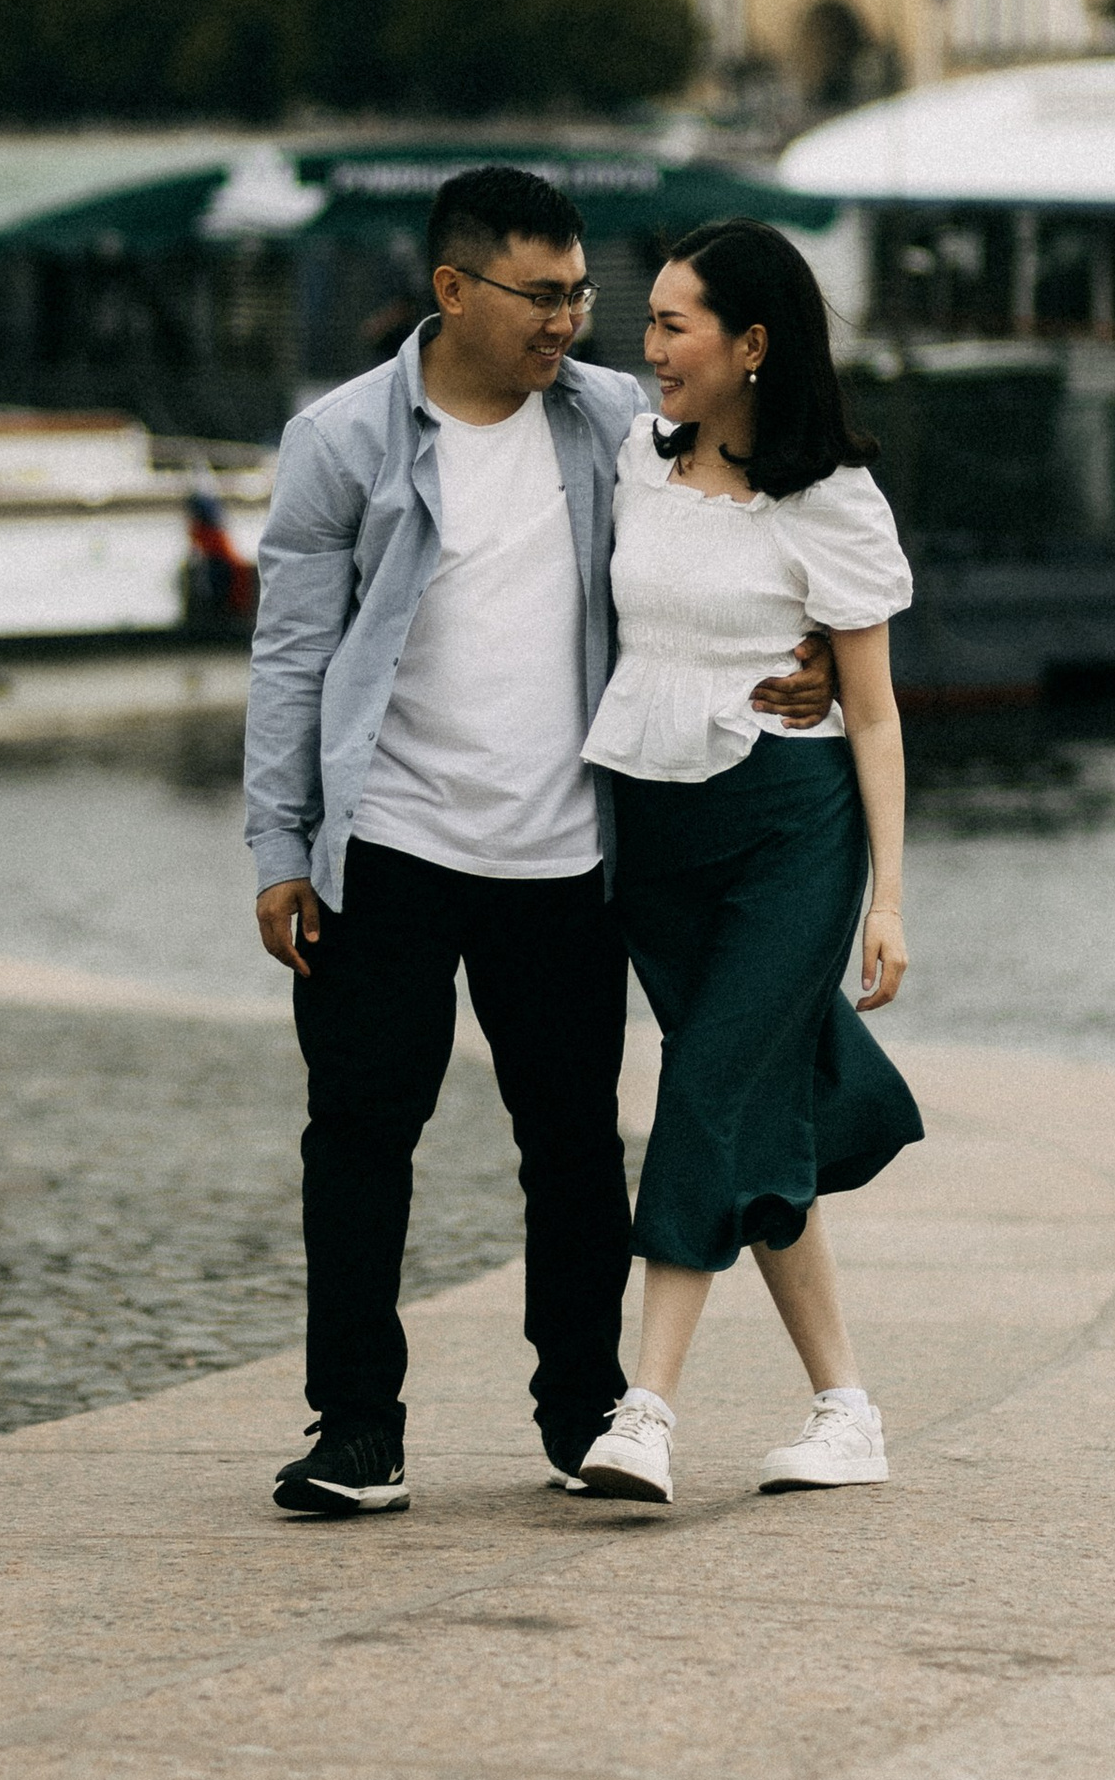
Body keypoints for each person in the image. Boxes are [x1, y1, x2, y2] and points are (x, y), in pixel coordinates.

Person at [245, 163, 837, 1518]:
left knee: (573, 1147)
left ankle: (581, 1413)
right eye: (542, 294)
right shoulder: (341, 440)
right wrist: (280, 845)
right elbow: (290, 657)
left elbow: (760, 503)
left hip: (566, 853)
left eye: (580, 293)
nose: (570, 319)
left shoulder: (618, 422)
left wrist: (816, 641)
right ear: (453, 289)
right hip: (388, 845)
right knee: (359, 1137)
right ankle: (358, 1430)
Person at [573, 219, 922, 1509]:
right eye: (650, 322)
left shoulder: (833, 500)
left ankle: (646, 1409)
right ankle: (848, 1411)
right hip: (657, 824)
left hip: (789, 825)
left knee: (705, 1091)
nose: (651, 347)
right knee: (758, 1105)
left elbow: (874, 712)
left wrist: (888, 900)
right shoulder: (637, 456)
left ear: (753, 343)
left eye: (675, 325)